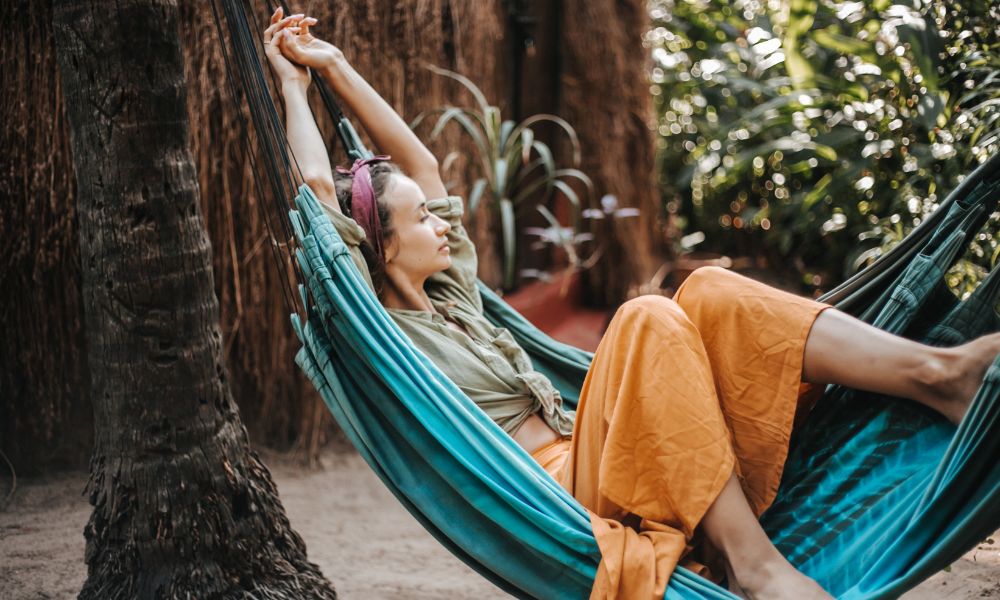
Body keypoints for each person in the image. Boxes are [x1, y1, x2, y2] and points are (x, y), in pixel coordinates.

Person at [263, 8, 1000, 599]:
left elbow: (421, 165)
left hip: (607, 445)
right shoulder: (385, 333)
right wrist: (293, 93)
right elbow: (324, 200)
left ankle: (940, 373)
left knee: (705, 290)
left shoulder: (452, 295)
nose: (437, 219)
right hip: (561, 497)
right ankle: (754, 566)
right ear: (380, 247)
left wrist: (337, 69)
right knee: (647, 318)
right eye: (419, 219)